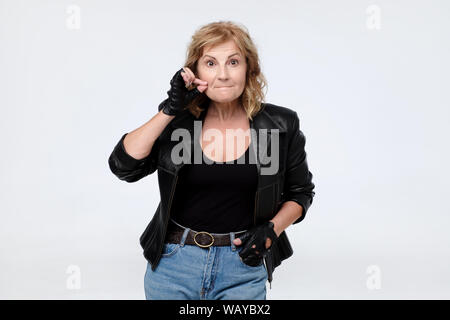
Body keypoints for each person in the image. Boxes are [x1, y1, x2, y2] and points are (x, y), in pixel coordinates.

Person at [108, 21, 315, 300]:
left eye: (233, 62)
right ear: (195, 72)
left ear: (249, 68)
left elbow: (300, 193)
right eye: (210, 63)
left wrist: (272, 229)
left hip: (242, 264)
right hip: (173, 264)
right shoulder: (177, 121)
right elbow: (123, 166)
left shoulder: (279, 124)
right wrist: (169, 109)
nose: (224, 74)